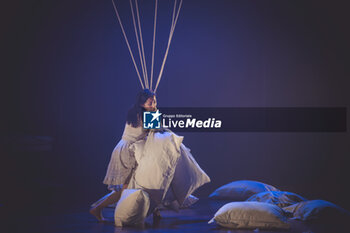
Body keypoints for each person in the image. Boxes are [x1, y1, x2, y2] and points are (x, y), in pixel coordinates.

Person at [89, 89, 159, 222]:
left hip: (122, 147)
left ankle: (155, 211)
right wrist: (156, 113)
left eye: (155, 101)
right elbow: (154, 134)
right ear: (143, 103)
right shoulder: (149, 115)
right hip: (129, 152)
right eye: (150, 103)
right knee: (127, 188)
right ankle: (98, 208)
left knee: (140, 183)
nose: (154, 105)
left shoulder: (134, 112)